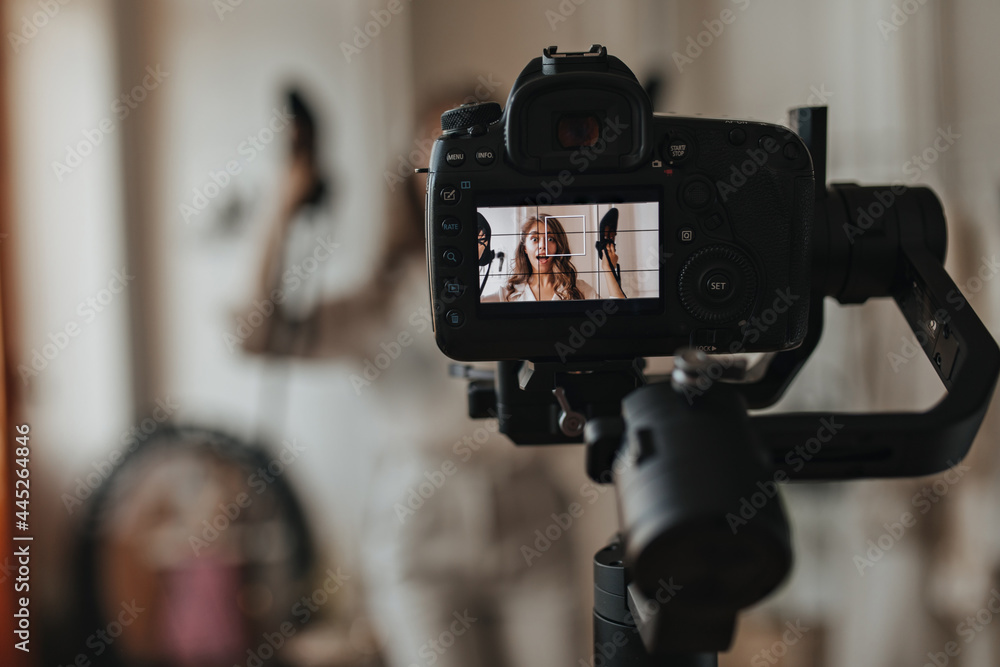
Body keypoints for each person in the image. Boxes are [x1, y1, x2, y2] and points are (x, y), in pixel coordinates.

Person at [501, 214, 625, 301]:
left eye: (550, 239)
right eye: (535, 239)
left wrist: (608, 268)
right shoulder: (507, 294)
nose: (543, 246)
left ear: (559, 247)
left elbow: (618, 316)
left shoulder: (579, 290)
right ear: (525, 248)